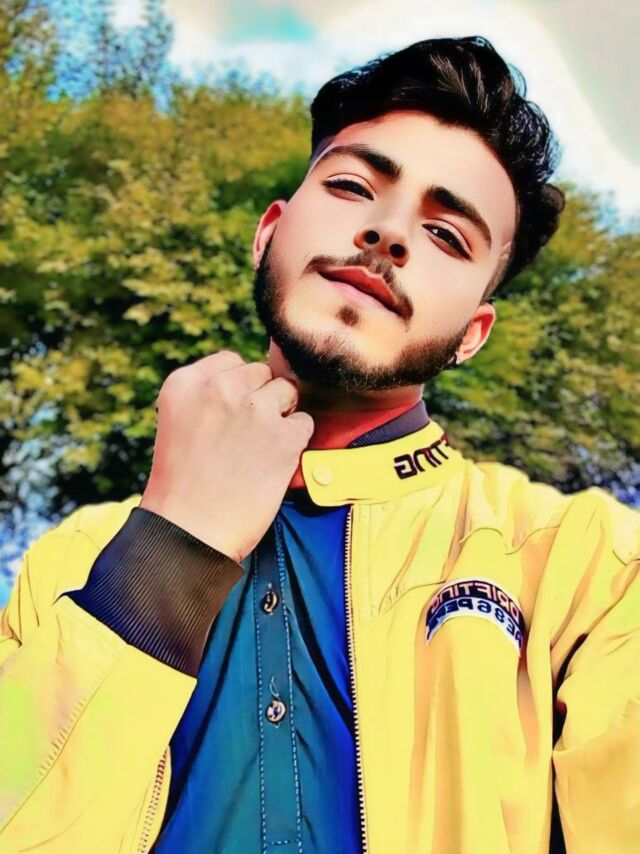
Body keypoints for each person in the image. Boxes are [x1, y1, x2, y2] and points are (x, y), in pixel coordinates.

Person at [0, 35, 638, 854]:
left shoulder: (591, 570)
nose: (388, 231)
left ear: (472, 334)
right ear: (268, 233)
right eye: (352, 187)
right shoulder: (72, 562)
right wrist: (171, 548)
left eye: (448, 236)